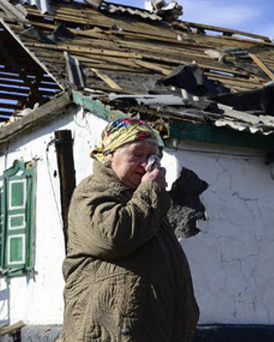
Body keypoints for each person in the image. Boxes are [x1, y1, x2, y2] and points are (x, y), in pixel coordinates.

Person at [61, 118, 199, 342]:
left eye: (153, 156)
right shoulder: (92, 191)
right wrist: (151, 190)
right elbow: (115, 236)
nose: (147, 164)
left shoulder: (145, 202)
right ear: (110, 155)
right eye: (137, 154)